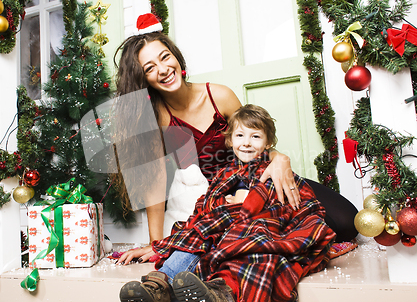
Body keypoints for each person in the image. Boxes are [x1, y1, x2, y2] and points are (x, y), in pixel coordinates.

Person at [119, 104, 336, 302]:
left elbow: (290, 203)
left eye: (256, 136)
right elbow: (205, 206)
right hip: (221, 223)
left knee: (256, 241)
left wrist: (251, 200)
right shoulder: (224, 174)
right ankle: (157, 289)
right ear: (230, 141)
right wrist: (224, 204)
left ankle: (222, 296)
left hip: (257, 224)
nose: (247, 142)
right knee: (196, 234)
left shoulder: (273, 169)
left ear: (268, 142)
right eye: (240, 135)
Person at [113, 14, 308, 265]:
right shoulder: (155, 119)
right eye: (149, 68)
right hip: (212, 201)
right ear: (143, 80)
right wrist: (155, 244)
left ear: (176, 57)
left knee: (341, 219)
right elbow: (155, 181)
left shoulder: (220, 95)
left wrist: (280, 158)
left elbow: (256, 140)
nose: (162, 70)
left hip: (252, 182)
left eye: (165, 57)